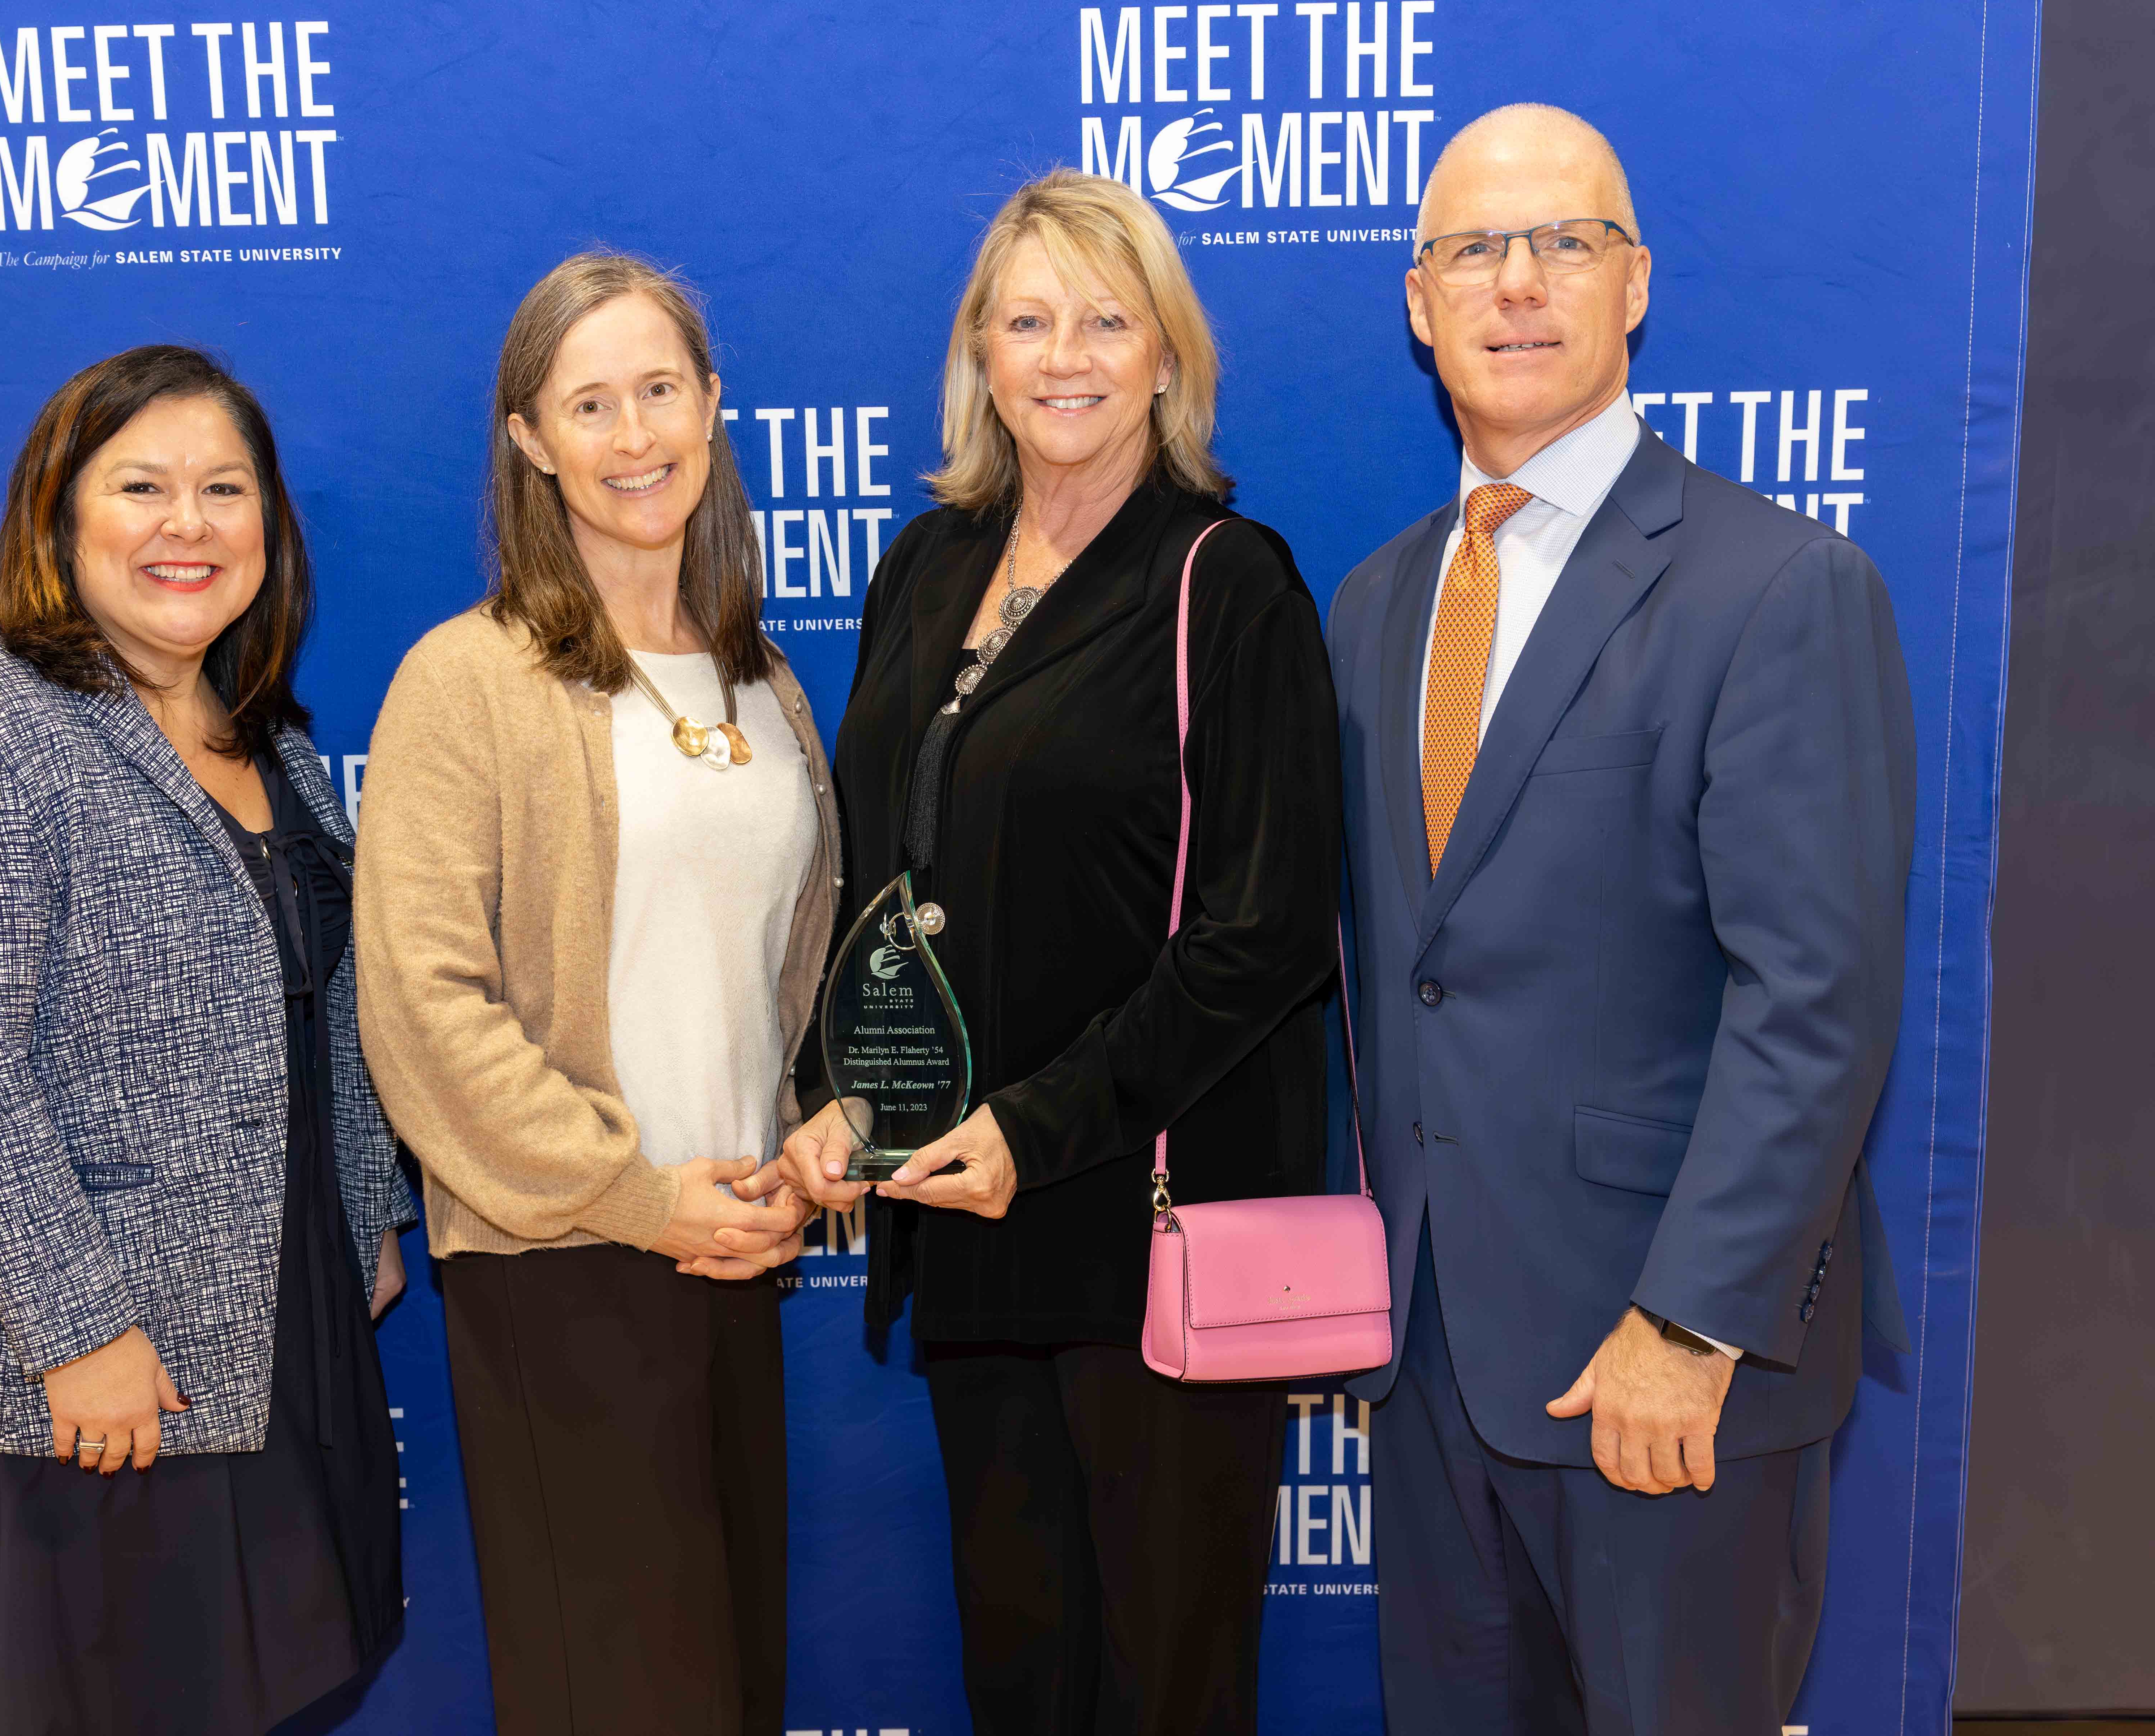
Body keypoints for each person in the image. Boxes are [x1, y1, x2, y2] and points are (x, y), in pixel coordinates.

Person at [1327, 103, 1914, 1734]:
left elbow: (1816, 998)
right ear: (1416, 301)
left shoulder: (1779, 589)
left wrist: (1692, 1320)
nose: (1515, 285)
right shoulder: (1375, 608)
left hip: (1658, 1378)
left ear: (1635, 282)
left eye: (1563, 243)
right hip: (1431, 1365)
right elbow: (1401, 979)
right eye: (1470, 252)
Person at [754, 169, 1342, 1733]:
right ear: (982, 357)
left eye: (1105, 319)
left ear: (1166, 355)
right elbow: (882, 879)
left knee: (1163, 1691)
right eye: (1028, 322)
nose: (1065, 356)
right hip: (965, 1231)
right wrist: (840, 1092)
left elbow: (1263, 935)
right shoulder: (922, 570)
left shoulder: (1229, 584)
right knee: (1021, 1683)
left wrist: (1035, 1125)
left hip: (1143, 1229)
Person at [0, 346, 415, 1735]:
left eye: (226, 490)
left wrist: (367, 1216)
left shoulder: (261, 737)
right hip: (104, 1370)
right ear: (62, 512)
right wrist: (79, 1328)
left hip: (278, 1321)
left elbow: (319, 1011)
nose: (190, 525)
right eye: (144, 486)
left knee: (245, 1694)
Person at [353, 251, 837, 1736]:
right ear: (528, 440)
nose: (634, 437)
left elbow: (802, 983)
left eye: (659, 392)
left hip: (739, 1258)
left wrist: (815, 1149)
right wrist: (638, 1195)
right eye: (590, 404)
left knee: (731, 1694)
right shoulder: (468, 682)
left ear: (713, 407)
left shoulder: (765, 683)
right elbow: (423, 1011)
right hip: (563, 1266)